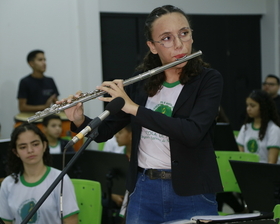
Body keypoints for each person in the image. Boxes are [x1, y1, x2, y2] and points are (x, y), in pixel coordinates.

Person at [59, 5, 223, 223]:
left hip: (193, 191)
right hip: (145, 189)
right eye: (166, 38)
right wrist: (79, 119)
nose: (178, 44)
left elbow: (192, 132)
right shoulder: (141, 80)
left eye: (184, 33)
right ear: (152, 47)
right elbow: (105, 131)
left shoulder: (209, 80)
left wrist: (134, 108)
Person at [0, 122, 79, 224]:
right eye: (23, 147)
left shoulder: (60, 179)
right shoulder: (8, 184)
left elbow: (71, 221)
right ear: (16, 152)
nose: (30, 150)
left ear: (44, 145)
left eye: (35, 144)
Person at [236, 90, 280, 164]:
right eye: (247, 105)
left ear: (263, 107)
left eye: (252, 106)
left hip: (266, 173)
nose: (248, 109)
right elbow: (240, 156)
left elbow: (272, 163)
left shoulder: (273, 129)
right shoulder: (245, 127)